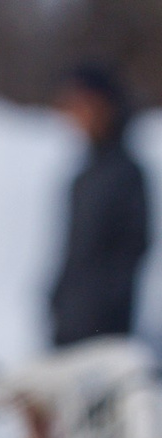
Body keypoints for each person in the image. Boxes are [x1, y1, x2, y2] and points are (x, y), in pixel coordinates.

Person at [50, 65, 150, 349]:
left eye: (82, 105)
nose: (75, 116)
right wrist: (57, 304)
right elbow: (72, 253)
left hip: (103, 331)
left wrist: (101, 320)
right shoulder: (85, 175)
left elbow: (131, 252)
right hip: (68, 325)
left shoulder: (127, 173)